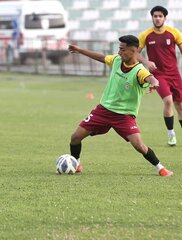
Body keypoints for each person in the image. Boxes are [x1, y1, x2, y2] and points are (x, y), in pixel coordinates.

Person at [67, 35, 173, 177]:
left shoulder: (139, 71)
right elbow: (101, 57)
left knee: (139, 146)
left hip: (124, 116)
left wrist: (155, 83)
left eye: (122, 50)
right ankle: (77, 164)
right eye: (119, 49)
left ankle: (161, 168)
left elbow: (150, 78)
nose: (119, 52)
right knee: (75, 138)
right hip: (103, 110)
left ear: (133, 51)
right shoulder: (117, 60)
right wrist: (80, 50)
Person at [138, 5, 182, 147]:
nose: (157, 18)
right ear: (152, 18)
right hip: (158, 75)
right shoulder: (145, 35)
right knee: (168, 101)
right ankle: (171, 135)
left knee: (181, 106)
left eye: (160, 16)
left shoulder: (174, 33)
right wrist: (146, 61)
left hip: (174, 74)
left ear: (165, 18)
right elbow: (136, 53)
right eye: (155, 16)